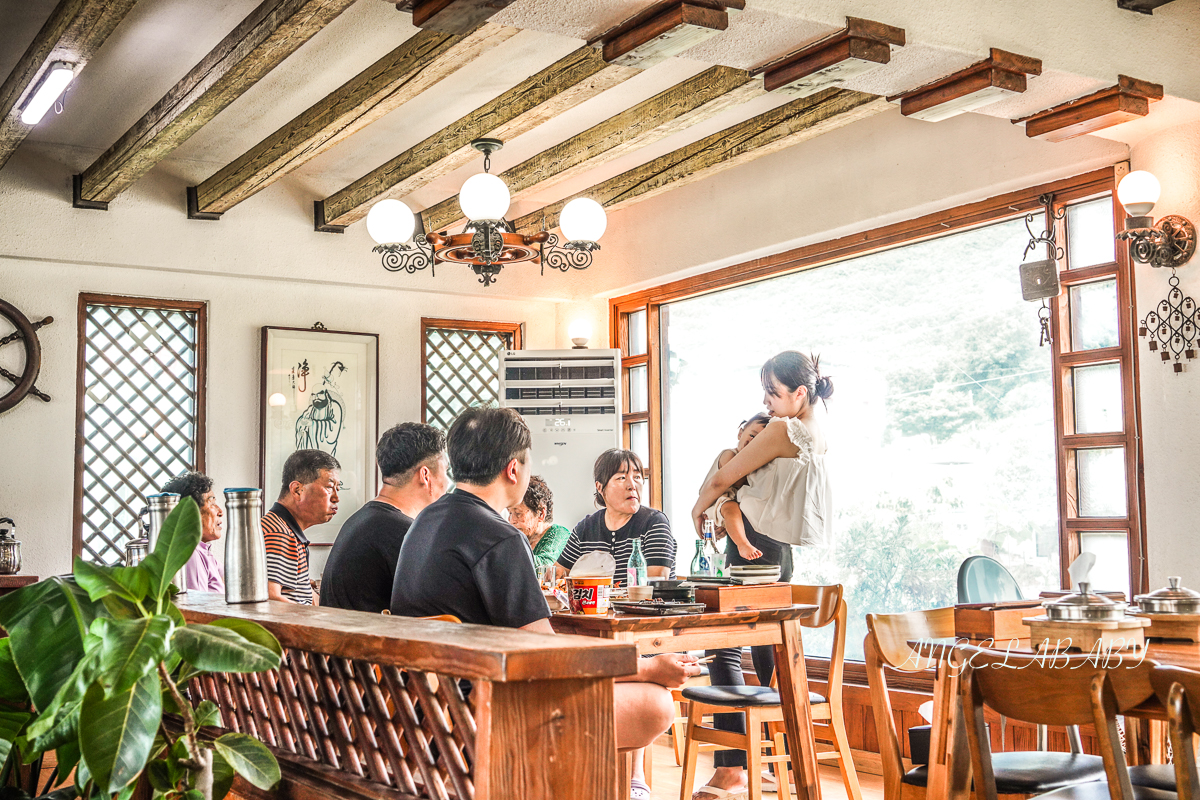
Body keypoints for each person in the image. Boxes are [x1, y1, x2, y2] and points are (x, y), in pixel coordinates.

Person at [390, 406, 698, 779]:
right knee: (656, 703)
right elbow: (548, 655)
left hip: (422, 705)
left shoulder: (423, 521)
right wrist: (649, 666)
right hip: (481, 711)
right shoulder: (500, 536)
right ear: (514, 469)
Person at [688, 351, 834, 800]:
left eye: (773, 392)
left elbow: (724, 477)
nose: (767, 402)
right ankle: (780, 761)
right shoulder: (818, 427)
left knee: (722, 646)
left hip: (756, 547)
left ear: (800, 393)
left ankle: (734, 770)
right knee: (769, 651)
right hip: (777, 550)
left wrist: (697, 507)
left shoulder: (782, 429)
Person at [321, 423, 448, 612]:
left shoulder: (361, 519)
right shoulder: (404, 533)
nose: (447, 482)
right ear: (425, 475)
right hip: (364, 641)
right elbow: (438, 609)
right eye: (446, 471)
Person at [554, 449, 675, 586]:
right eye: (621, 478)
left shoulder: (654, 522)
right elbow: (559, 573)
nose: (632, 486)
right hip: (595, 607)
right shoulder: (586, 528)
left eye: (637, 477)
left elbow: (655, 583)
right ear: (600, 487)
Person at [263, 449, 340, 605]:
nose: (336, 498)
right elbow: (270, 599)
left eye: (338, 488)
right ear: (297, 490)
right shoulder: (277, 533)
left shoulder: (287, 530)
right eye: (329, 487)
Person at [698, 413, 772, 561]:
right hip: (714, 502)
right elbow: (738, 481)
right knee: (731, 508)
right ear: (740, 433)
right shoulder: (729, 455)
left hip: (724, 506)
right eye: (752, 435)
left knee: (731, 508)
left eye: (760, 441)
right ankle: (742, 544)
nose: (753, 442)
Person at [161, 471, 225, 592]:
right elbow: (198, 608)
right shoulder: (191, 554)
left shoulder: (201, 550)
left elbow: (231, 582)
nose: (220, 511)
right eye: (212, 504)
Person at [506, 475, 571, 571]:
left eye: (518, 513)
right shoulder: (520, 538)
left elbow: (544, 568)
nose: (511, 520)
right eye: (510, 513)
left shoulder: (559, 534)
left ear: (541, 513)